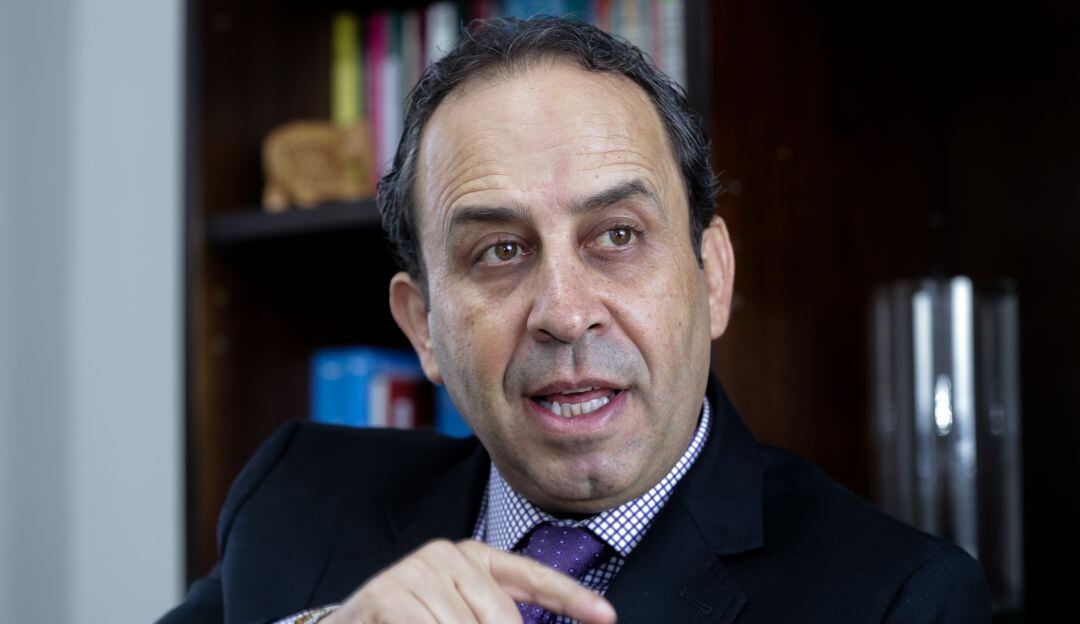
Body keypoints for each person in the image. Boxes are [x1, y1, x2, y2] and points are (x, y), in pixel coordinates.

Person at [158, 16, 990, 624]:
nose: (563, 312)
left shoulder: (895, 599)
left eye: (617, 236)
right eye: (498, 251)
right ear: (422, 327)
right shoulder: (296, 501)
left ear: (712, 277)